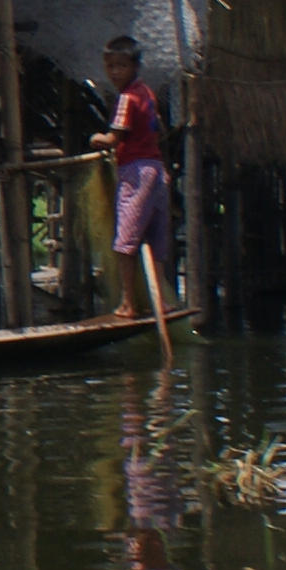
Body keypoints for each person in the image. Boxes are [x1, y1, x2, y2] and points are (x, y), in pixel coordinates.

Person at [90, 33, 175, 347]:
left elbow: (113, 139)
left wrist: (96, 139)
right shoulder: (148, 94)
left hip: (136, 172)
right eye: (111, 66)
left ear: (135, 66)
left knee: (125, 243)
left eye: (121, 66)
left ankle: (129, 304)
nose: (115, 73)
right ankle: (162, 301)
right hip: (157, 171)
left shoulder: (128, 98)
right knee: (153, 239)